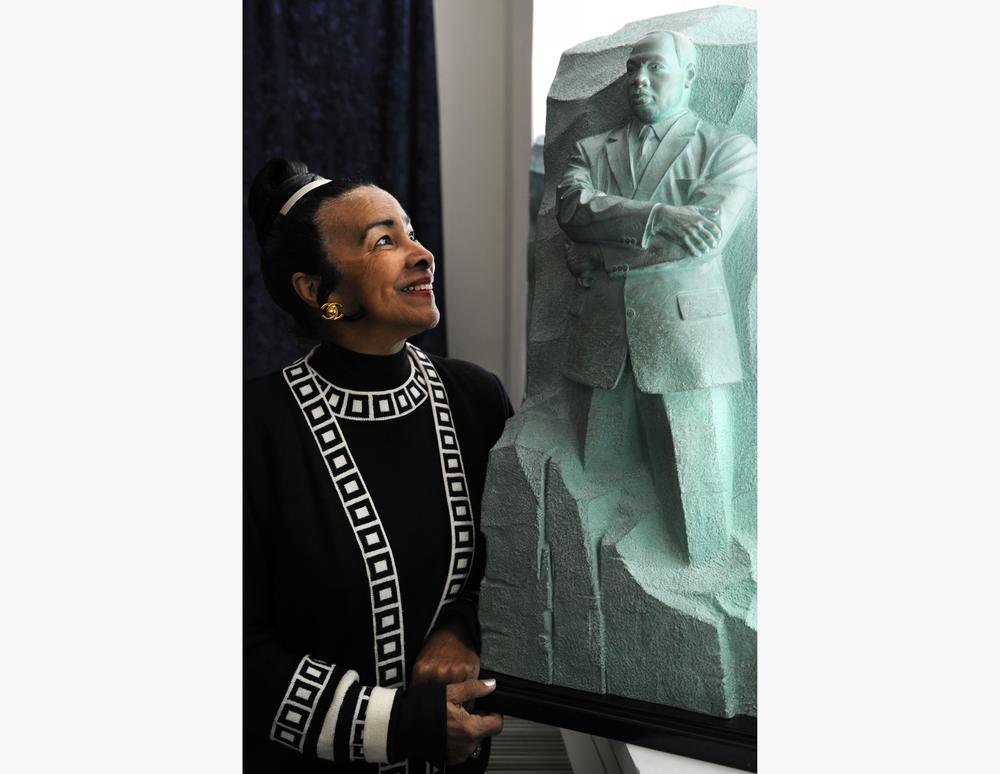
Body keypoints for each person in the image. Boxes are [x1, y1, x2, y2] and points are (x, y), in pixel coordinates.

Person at [244, 159, 509, 773]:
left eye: (411, 232)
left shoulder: (476, 400)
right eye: (383, 241)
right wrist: (405, 725)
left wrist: (461, 627)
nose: (422, 254)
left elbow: (518, 560)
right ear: (318, 292)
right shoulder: (252, 429)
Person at [556, 31, 757, 563]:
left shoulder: (729, 149)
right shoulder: (590, 150)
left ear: (689, 76)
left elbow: (706, 238)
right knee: (589, 492)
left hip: (687, 343)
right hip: (602, 345)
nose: (638, 80)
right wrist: (659, 217)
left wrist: (599, 256)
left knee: (700, 514)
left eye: (654, 68)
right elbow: (574, 211)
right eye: (631, 68)